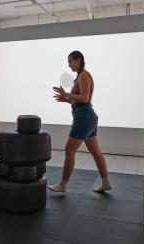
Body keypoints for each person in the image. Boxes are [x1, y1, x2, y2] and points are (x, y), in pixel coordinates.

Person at [48, 50, 112, 193]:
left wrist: (66, 93)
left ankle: (62, 185)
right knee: (96, 152)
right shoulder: (80, 77)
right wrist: (67, 99)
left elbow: (84, 98)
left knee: (69, 149)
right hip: (87, 116)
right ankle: (106, 182)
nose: (69, 65)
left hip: (84, 117)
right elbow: (78, 100)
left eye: (70, 61)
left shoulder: (83, 75)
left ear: (78, 60)